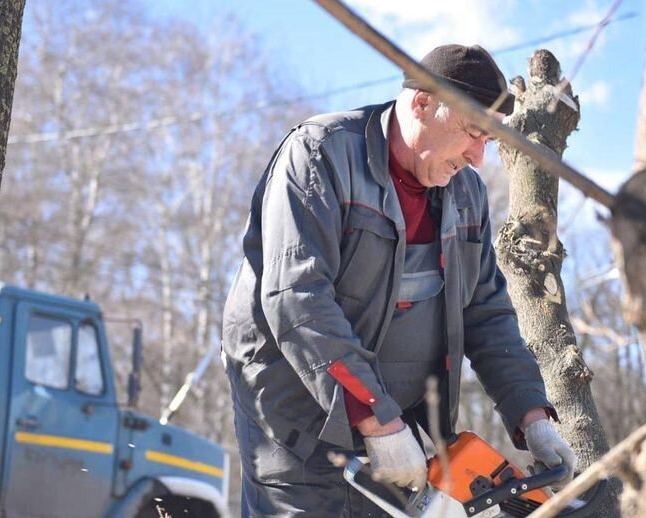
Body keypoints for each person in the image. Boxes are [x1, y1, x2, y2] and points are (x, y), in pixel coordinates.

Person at [222, 44, 576, 517]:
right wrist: (373, 414)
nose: (477, 159)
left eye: (488, 141)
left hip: (397, 423)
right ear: (422, 103)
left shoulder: (466, 194)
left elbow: (486, 310)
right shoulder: (321, 155)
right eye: (473, 133)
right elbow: (298, 298)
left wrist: (531, 413)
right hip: (296, 419)